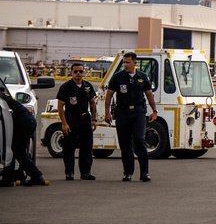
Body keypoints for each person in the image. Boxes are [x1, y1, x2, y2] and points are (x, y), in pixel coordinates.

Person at [104, 52, 157, 182]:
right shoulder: (118, 77)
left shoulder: (142, 77)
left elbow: (149, 94)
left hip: (138, 112)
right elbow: (109, 95)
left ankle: (145, 173)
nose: (126, 65)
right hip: (122, 113)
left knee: (139, 140)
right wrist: (107, 112)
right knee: (125, 143)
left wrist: (154, 111)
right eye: (124, 62)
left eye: (128, 62)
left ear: (135, 63)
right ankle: (128, 172)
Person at [0, 80, 47, 187]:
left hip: (23, 123)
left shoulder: (2, 98)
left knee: (12, 150)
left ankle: (8, 179)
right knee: (20, 153)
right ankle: (36, 176)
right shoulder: (5, 96)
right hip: (27, 122)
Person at [57, 62, 98, 180]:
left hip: (85, 119)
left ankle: (86, 172)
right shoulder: (65, 87)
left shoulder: (87, 86)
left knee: (87, 146)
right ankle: (69, 172)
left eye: (80, 71)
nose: (78, 74)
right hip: (71, 119)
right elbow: (61, 107)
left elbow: (92, 103)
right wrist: (64, 124)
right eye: (75, 71)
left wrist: (94, 119)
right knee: (69, 147)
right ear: (71, 73)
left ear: (83, 72)